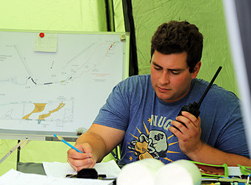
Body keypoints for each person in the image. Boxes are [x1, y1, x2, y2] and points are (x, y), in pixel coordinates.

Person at [67, 20, 251, 171]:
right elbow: (98, 137)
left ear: (195, 70)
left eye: (174, 72)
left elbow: (247, 168)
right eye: (157, 68)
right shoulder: (130, 90)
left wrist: (197, 149)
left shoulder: (225, 105)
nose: (162, 80)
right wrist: (87, 150)